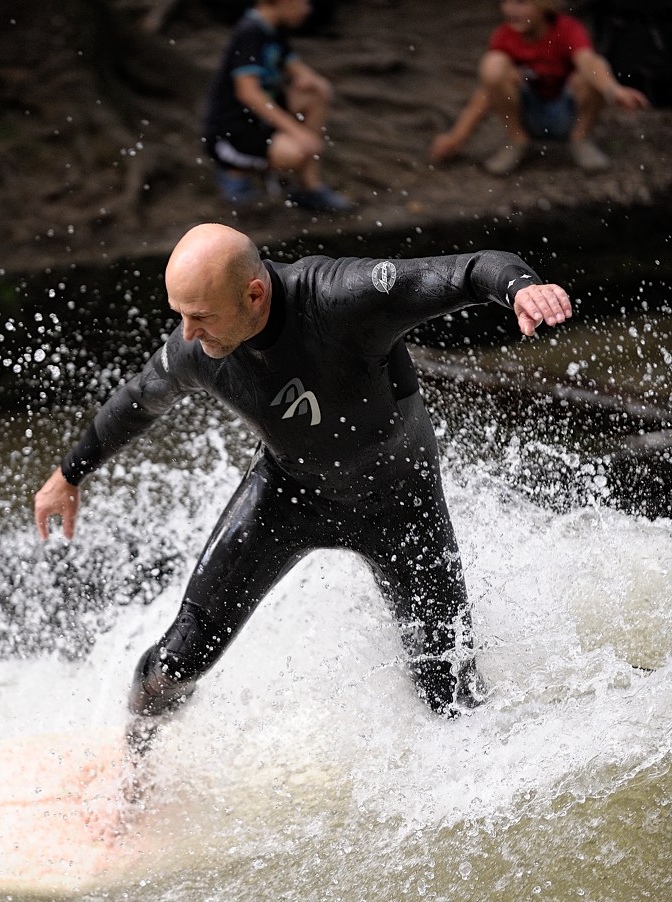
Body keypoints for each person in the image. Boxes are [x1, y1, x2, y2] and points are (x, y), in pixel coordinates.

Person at [34, 223, 572, 752]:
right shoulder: (197, 347)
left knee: (451, 699)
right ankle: (133, 770)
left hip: (401, 506)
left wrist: (522, 288)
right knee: (177, 661)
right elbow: (139, 398)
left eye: (201, 316)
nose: (188, 333)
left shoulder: (342, 299)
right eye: (181, 315)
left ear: (254, 294)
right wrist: (68, 474)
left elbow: (468, 271)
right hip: (287, 497)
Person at [430, 0, 649, 177]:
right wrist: (455, 139)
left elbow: (587, 62)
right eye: (506, 1)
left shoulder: (567, 29)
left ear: (544, 5)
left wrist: (613, 91)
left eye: (521, 2)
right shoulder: (504, 36)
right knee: (493, 65)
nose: (510, 9)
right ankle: (517, 139)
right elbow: (486, 94)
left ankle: (580, 138)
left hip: (567, 113)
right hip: (529, 116)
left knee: (595, 68)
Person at [201, 0, 351, 213]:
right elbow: (248, 93)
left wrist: (311, 81)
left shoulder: (274, 31)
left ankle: (310, 187)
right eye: (302, 2)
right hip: (232, 132)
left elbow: (302, 72)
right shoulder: (250, 32)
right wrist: (298, 132)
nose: (307, 9)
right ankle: (234, 173)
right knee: (297, 151)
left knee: (314, 96)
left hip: (260, 123)